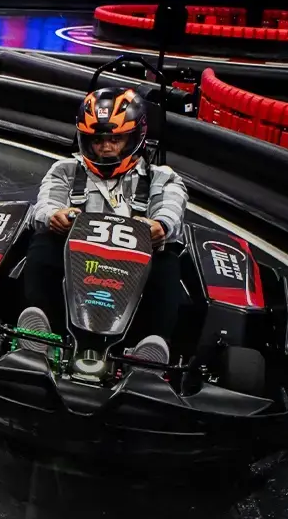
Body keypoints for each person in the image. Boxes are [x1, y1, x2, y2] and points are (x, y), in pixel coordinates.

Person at [18, 87, 188, 358]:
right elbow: (45, 205)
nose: (106, 148)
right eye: (97, 140)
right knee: (42, 241)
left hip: (133, 271)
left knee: (168, 262)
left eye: (115, 139)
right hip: (76, 266)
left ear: (134, 138)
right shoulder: (65, 171)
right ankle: (43, 333)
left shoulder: (161, 177)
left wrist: (161, 226)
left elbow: (172, 208)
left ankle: (149, 348)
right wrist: (53, 216)